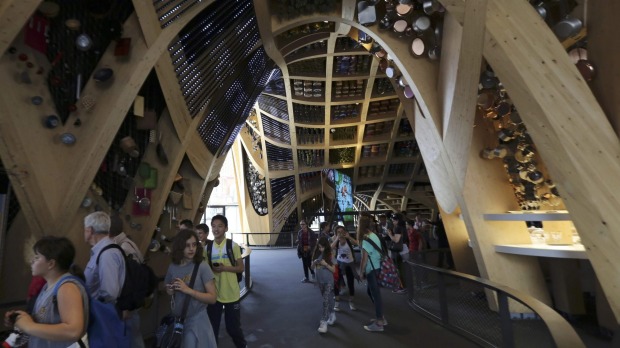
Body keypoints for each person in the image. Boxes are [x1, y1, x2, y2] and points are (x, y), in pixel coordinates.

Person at [4, 236, 88, 348]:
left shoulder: (67, 288)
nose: (31, 261)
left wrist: (29, 325)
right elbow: (47, 321)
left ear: (51, 264)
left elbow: (73, 331)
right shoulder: (48, 286)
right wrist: (23, 319)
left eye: (37, 257)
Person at [165, 229, 218, 347]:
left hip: (197, 320)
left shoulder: (202, 267)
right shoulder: (173, 266)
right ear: (180, 246)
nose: (191, 249)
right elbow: (167, 286)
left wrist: (188, 290)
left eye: (194, 245)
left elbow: (212, 298)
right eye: (187, 245)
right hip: (178, 321)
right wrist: (170, 290)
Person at [206, 215, 247, 347]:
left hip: (232, 294)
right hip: (214, 294)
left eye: (220, 226)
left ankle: (242, 345)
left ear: (226, 228)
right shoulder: (207, 248)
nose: (216, 229)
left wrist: (224, 268)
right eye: (213, 226)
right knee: (212, 328)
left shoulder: (232, 246)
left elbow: (241, 267)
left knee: (233, 328)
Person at [109, 213, 145, 348]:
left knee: (132, 338)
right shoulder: (127, 243)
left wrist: (127, 306)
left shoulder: (124, 248)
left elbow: (130, 280)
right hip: (132, 302)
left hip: (129, 304)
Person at [358, 214, 386, 332]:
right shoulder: (374, 235)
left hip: (371, 269)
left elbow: (364, 259)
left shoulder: (366, 238)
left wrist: (361, 272)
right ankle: (380, 317)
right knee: (371, 291)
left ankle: (380, 322)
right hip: (377, 266)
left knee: (375, 294)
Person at [311, 237, 337, 333]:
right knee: (328, 298)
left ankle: (323, 322)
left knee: (325, 300)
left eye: (322, 247)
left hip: (329, 281)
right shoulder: (316, 253)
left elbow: (334, 270)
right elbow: (312, 267)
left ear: (326, 246)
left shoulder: (330, 254)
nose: (320, 249)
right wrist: (314, 263)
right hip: (320, 281)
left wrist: (325, 264)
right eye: (319, 247)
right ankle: (332, 314)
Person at [330, 225, 358, 311]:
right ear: (336, 233)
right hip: (340, 263)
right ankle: (337, 301)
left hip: (350, 263)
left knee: (350, 281)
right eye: (338, 232)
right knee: (336, 281)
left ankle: (351, 301)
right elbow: (331, 247)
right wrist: (336, 238)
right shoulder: (335, 239)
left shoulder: (348, 238)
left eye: (342, 231)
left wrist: (349, 237)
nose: (340, 233)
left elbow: (356, 243)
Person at [387, 213, 407, 294]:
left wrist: (390, 234)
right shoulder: (402, 227)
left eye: (394, 220)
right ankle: (403, 285)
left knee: (398, 269)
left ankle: (402, 286)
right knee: (401, 269)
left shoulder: (398, 228)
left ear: (397, 220)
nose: (392, 221)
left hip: (397, 251)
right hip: (402, 250)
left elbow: (396, 240)